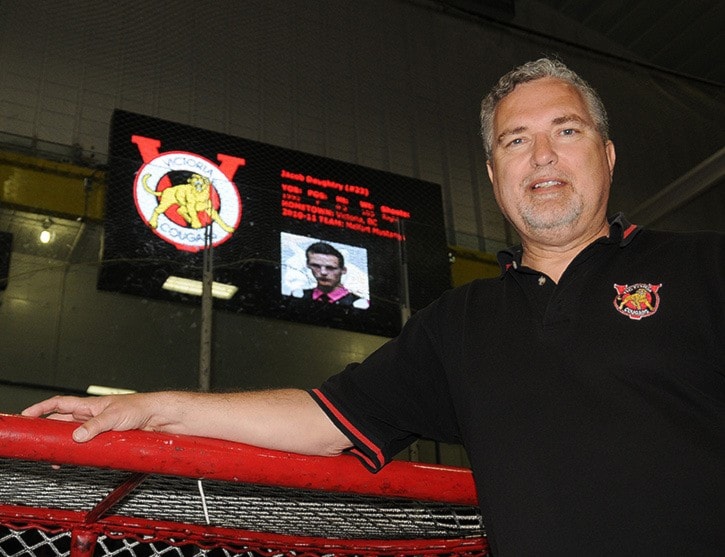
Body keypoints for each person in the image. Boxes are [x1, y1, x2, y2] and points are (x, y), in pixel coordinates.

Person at [22, 58, 723, 555]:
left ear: (605, 153)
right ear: (492, 172)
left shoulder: (701, 270)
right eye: (516, 140)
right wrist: (154, 406)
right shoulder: (460, 323)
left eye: (564, 131)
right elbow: (325, 417)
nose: (540, 155)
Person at [300, 241, 362, 307]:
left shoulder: (360, 304)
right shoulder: (300, 296)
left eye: (330, 268)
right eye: (316, 266)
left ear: (343, 270)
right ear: (308, 265)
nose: (323, 272)